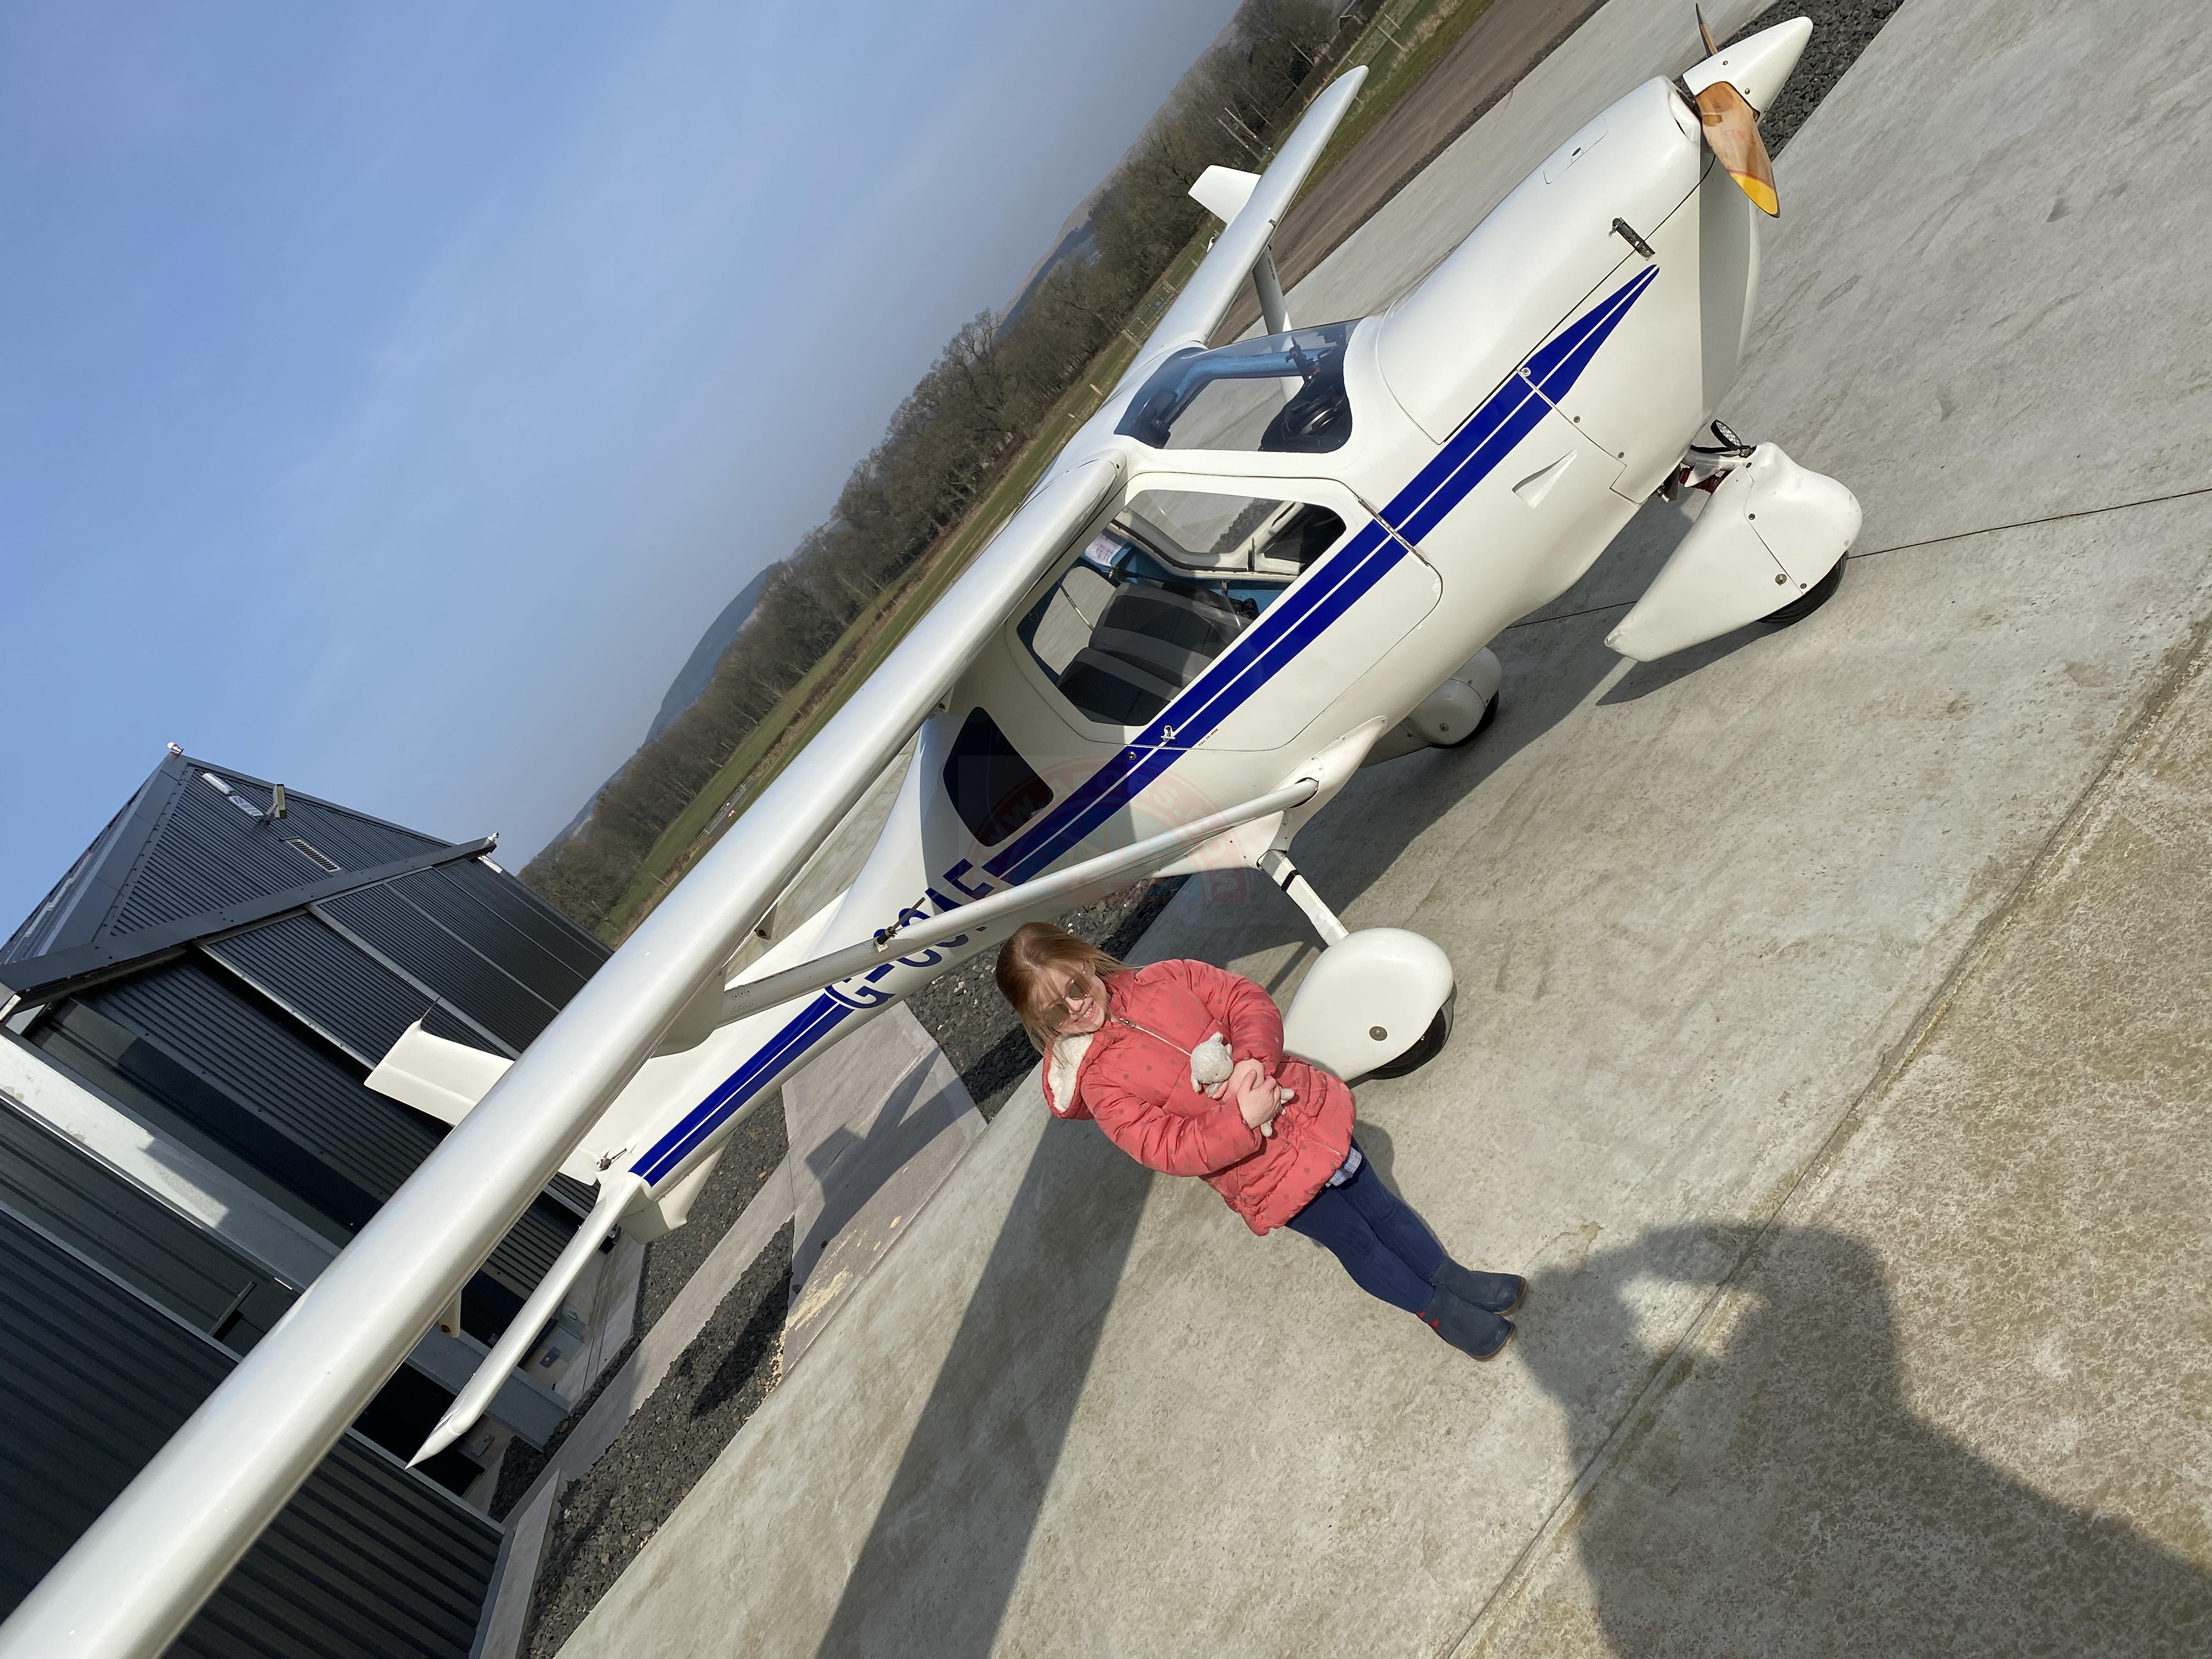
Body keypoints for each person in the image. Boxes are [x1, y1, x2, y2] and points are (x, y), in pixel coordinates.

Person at [995, 921, 1524, 1359]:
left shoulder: (1166, 976)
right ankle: (1439, 1310)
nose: (1075, 1008)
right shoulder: (1101, 1084)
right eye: (1055, 1012)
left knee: (1381, 1205)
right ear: (1040, 1023)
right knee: (1356, 1241)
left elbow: (1243, 999)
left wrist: (1253, 1059)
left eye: (1075, 988)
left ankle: (1452, 1276)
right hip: (1261, 1173)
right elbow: (1165, 1146)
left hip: (1306, 1112)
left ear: (1085, 960)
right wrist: (1242, 1120)